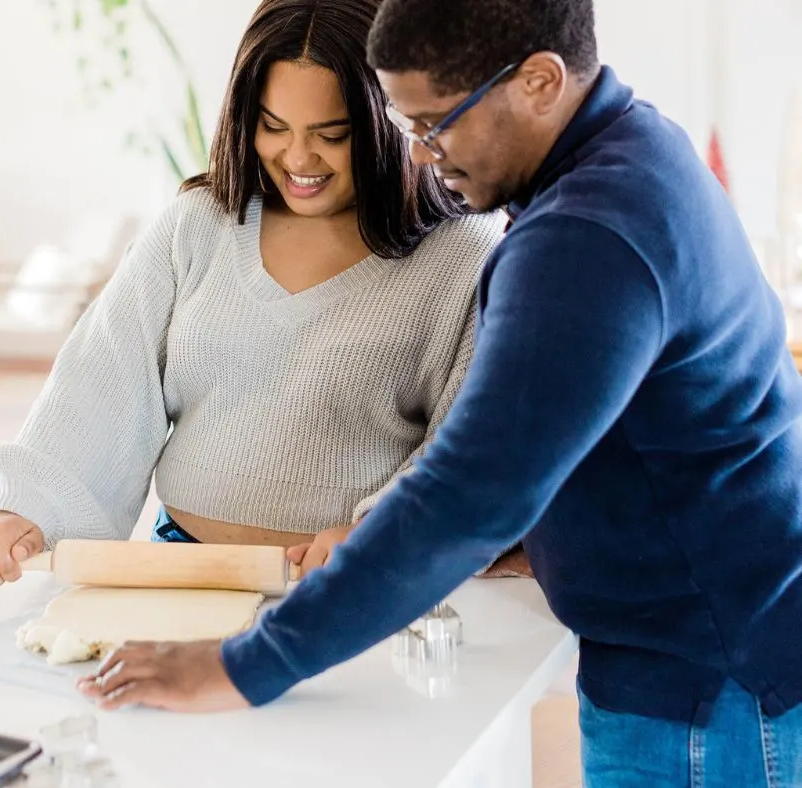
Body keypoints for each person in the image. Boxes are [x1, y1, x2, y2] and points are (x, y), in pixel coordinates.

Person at [79, 1, 802, 786]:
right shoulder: (635, 147)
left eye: (435, 124)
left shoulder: (585, 236)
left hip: (705, 679)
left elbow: (466, 491)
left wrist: (243, 667)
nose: (420, 157)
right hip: (710, 644)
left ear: (538, 82)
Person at [0, 0, 509, 587]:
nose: (297, 158)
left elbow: (477, 441)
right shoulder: (199, 223)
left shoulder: (464, 256)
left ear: (391, 124)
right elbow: (102, 379)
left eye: (332, 134)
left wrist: (386, 530)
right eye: (273, 126)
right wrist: (26, 510)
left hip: (353, 584)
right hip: (182, 567)